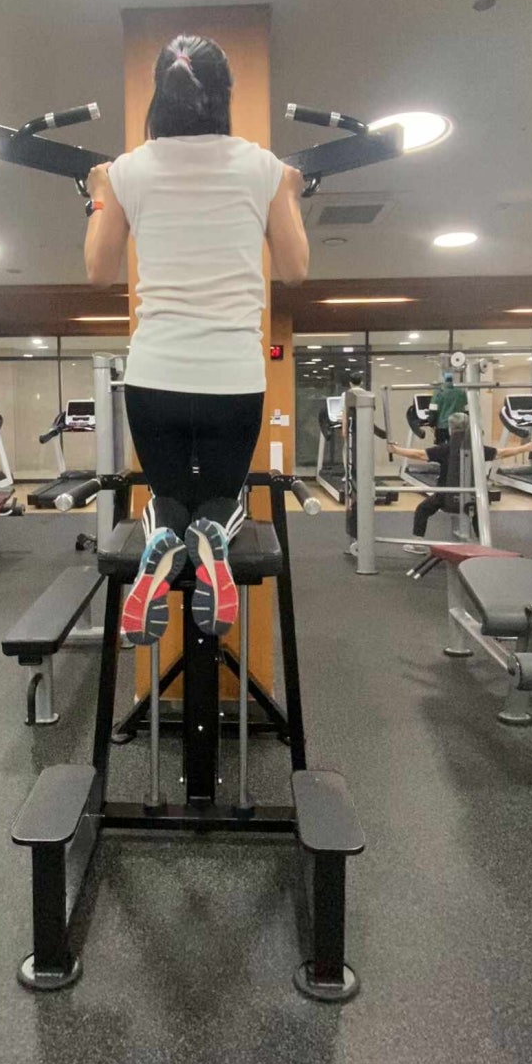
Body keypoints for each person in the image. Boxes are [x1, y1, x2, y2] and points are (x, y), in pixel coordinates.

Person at [83, 34, 309, 645]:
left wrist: (100, 194)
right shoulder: (261, 167)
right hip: (232, 380)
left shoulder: (128, 170)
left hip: (154, 378)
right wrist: (288, 193)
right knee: (221, 496)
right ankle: (212, 536)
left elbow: (99, 271)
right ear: (223, 94)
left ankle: (163, 538)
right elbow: (295, 269)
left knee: (166, 494)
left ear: (160, 93)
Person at [388, 411, 532, 538]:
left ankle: (417, 542)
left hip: (445, 498)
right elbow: (501, 453)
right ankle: (484, 544)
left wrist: (396, 450)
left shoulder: (445, 449)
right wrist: (526, 447)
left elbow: (420, 455)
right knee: (478, 513)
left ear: (450, 429)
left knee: (422, 510)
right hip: (473, 497)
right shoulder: (477, 448)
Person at [427, 371, 467, 443]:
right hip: (458, 426)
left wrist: (431, 424)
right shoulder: (461, 392)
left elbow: (433, 411)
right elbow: (466, 409)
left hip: (442, 427)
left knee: (441, 447)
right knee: (457, 446)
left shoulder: (438, 392)